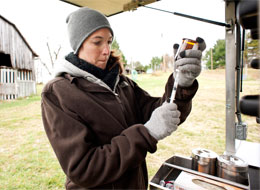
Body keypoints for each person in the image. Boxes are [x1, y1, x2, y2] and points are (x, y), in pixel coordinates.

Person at [41, 7, 206, 190]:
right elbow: (84, 169)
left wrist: (182, 82)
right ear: (78, 45)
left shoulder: (122, 83)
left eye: (109, 42)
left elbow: (163, 112)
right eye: (97, 42)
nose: (106, 50)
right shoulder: (58, 93)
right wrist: (147, 133)